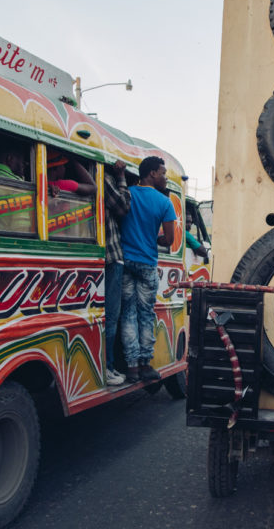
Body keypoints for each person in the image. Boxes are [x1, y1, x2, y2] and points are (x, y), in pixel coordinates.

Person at [119, 156, 176, 382]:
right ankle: (145, 365)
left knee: (128, 314)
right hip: (147, 263)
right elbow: (170, 239)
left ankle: (131, 367)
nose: (165, 177)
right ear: (152, 173)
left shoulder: (128, 194)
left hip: (125, 262)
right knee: (145, 315)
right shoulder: (164, 202)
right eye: (162, 173)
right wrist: (155, 239)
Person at [103, 160, 131, 387]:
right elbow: (123, 207)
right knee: (112, 316)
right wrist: (121, 177)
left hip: (103, 257)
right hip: (112, 256)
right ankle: (108, 366)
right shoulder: (105, 179)